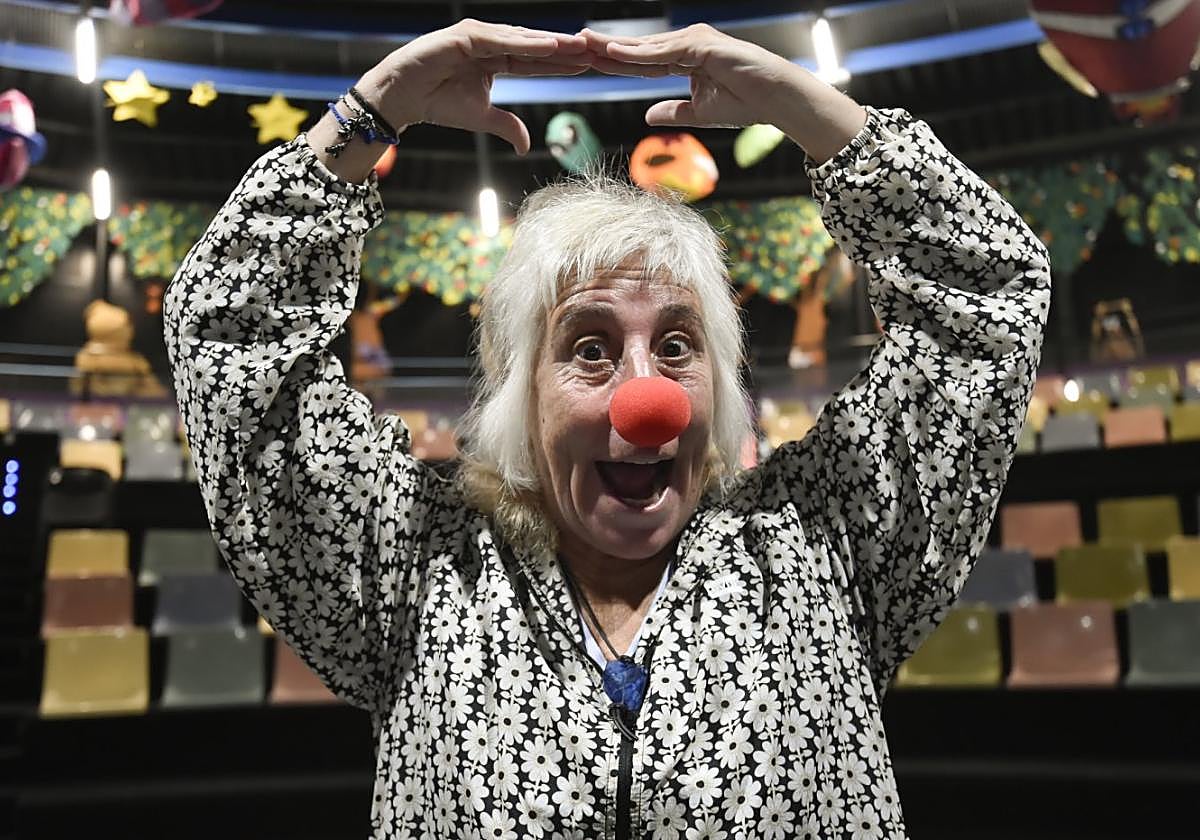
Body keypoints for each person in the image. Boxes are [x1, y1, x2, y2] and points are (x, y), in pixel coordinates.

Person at [163, 19, 1050, 839]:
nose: (645, 398)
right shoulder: (413, 572)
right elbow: (233, 340)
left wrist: (811, 113)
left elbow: (985, 306)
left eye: (677, 345)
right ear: (520, 393)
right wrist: (373, 110)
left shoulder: (825, 547)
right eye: (589, 348)